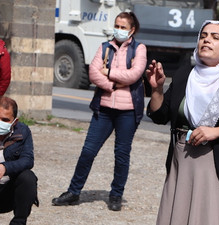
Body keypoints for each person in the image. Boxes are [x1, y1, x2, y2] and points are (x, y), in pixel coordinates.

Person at [146, 20, 219, 225]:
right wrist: (156, 90)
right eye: (203, 36)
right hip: (183, 165)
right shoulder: (186, 74)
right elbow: (161, 115)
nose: (207, 40)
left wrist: (217, 132)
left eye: (215, 37)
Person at [52, 11, 147, 211]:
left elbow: (135, 74)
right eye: (117, 26)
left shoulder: (139, 49)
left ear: (132, 30)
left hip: (128, 111)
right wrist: (112, 85)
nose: (118, 30)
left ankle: (116, 195)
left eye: (123, 27)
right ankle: (74, 191)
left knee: (121, 154)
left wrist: (110, 72)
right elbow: (94, 73)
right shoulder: (105, 47)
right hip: (103, 109)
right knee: (88, 151)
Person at [0, 96, 38, 225]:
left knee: (28, 178)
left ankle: (19, 222)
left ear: (14, 122)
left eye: (5, 120)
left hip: (7, 192)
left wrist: (5, 168)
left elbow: (28, 160)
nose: (0, 122)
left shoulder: (23, 131)